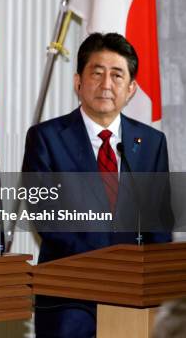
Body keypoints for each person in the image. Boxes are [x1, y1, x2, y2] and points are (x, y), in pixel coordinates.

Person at [22, 32, 172, 338]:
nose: (106, 84)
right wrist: (112, 267)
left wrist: (154, 283)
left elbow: (158, 226)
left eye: (117, 75)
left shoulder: (152, 143)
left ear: (131, 89)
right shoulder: (46, 139)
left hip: (136, 300)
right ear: (78, 82)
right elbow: (48, 219)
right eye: (97, 73)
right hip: (69, 299)